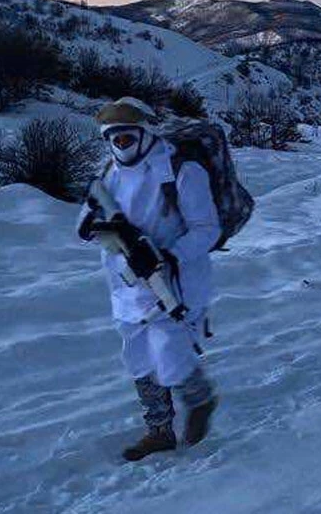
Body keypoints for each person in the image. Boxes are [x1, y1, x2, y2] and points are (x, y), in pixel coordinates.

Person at [78, 98, 220, 462]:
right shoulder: (109, 174)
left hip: (174, 282)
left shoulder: (181, 170)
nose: (121, 145)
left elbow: (207, 228)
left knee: (169, 351)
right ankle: (159, 431)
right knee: (138, 358)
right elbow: (88, 216)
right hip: (126, 287)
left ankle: (199, 399)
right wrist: (97, 226)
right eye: (114, 139)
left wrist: (169, 255)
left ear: (144, 133)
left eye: (127, 137)